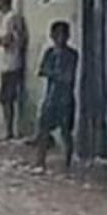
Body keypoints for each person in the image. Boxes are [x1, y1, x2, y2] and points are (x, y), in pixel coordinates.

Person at [34, 21, 80, 172]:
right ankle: (40, 162)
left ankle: (66, 163)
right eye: (57, 34)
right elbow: (42, 70)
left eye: (63, 34)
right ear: (52, 36)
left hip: (65, 98)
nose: (60, 38)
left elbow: (68, 77)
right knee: (43, 129)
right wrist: (55, 74)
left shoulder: (72, 54)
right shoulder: (49, 53)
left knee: (66, 131)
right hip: (51, 97)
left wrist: (53, 73)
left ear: (68, 36)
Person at [0, 0, 27, 141]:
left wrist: (2, 41)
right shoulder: (3, 17)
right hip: (6, 62)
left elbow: (12, 38)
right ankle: (9, 129)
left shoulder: (12, 17)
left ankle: (10, 130)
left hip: (12, 62)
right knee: (5, 98)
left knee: (6, 98)